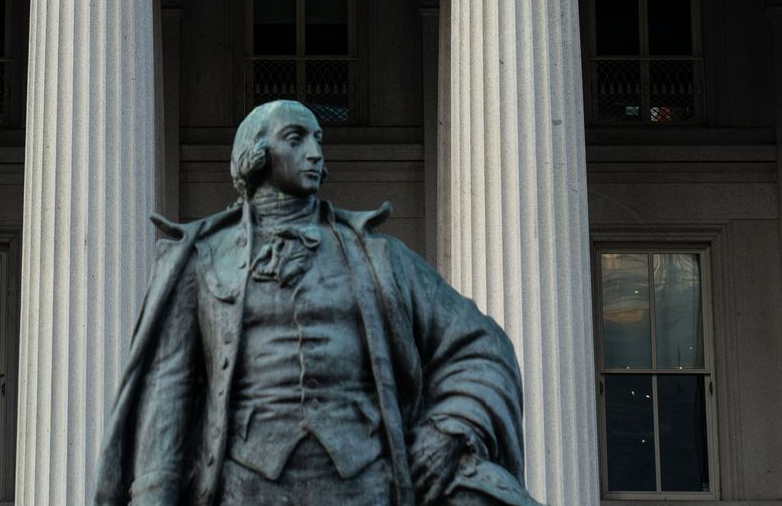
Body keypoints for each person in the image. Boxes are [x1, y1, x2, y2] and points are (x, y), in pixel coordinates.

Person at [94, 100, 542, 506]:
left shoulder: (378, 257)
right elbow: (168, 386)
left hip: (366, 480)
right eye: (297, 138)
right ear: (258, 154)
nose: (315, 152)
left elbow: (480, 345)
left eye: (318, 140)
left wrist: (448, 429)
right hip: (244, 484)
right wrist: (154, 493)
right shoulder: (203, 259)